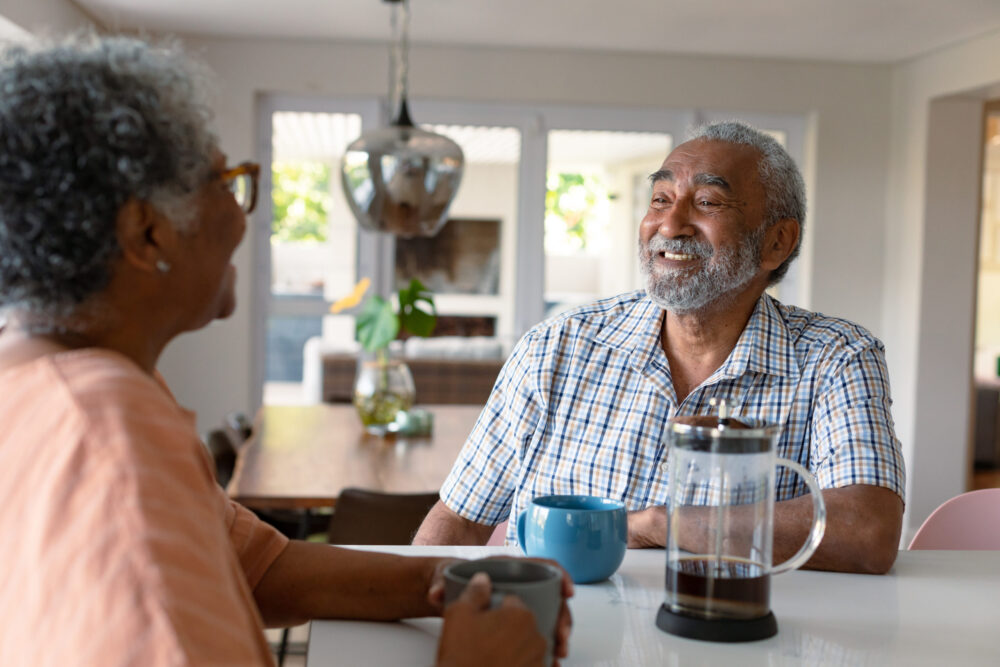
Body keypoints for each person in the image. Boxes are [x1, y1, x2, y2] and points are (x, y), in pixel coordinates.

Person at [0, 35, 570, 666]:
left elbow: (257, 570)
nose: (245, 214)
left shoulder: (54, 380)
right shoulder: (107, 434)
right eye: (226, 181)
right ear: (148, 231)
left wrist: (441, 578)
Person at [415, 121, 906, 575]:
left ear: (777, 242)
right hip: (550, 626)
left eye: (708, 202)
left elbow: (866, 532)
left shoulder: (837, 358)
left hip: (730, 629)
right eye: (660, 199)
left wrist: (660, 524)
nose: (670, 226)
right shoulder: (555, 347)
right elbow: (460, 519)